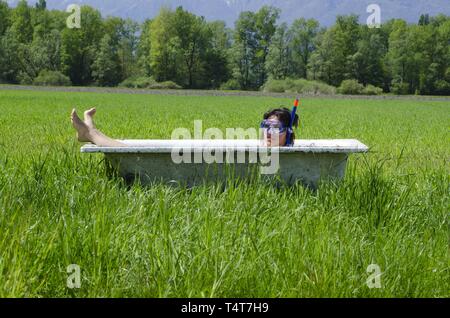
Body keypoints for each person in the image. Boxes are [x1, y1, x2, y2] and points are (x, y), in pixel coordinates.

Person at [71, 107, 299, 147]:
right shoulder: (256, 149)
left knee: (122, 148)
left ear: (288, 135)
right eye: (264, 126)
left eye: (276, 128)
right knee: (124, 147)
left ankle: (90, 131)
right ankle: (90, 131)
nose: (268, 132)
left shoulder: (288, 152)